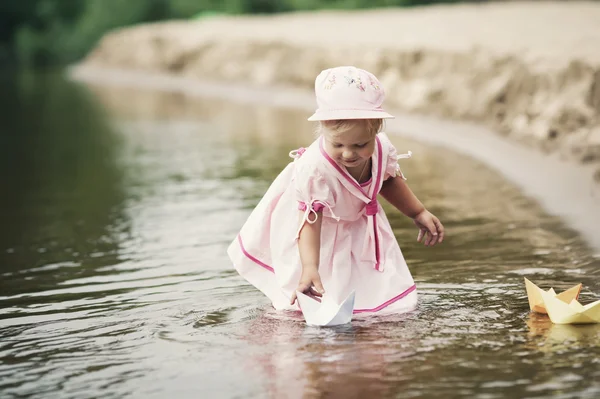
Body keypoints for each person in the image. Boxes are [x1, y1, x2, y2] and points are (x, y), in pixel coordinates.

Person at [227, 66, 444, 314]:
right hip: (316, 234)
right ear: (323, 130)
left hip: (359, 226)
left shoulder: (381, 149)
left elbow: (387, 181)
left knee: (380, 293)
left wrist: (418, 212)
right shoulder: (315, 168)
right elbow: (311, 220)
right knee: (319, 296)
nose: (349, 154)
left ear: (376, 129)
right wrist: (309, 266)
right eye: (338, 144)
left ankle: (373, 322)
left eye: (360, 145)